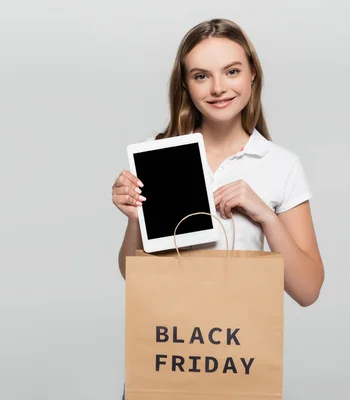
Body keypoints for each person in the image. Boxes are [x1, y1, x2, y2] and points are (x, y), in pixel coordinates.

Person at [112, 17, 324, 400]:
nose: (219, 88)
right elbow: (133, 275)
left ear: (253, 75)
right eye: (201, 76)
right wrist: (134, 220)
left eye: (231, 71)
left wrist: (264, 215)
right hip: (168, 356)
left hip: (236, 361)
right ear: (185, 85)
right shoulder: (160, 156)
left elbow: (308, 290)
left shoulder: (280, 165)